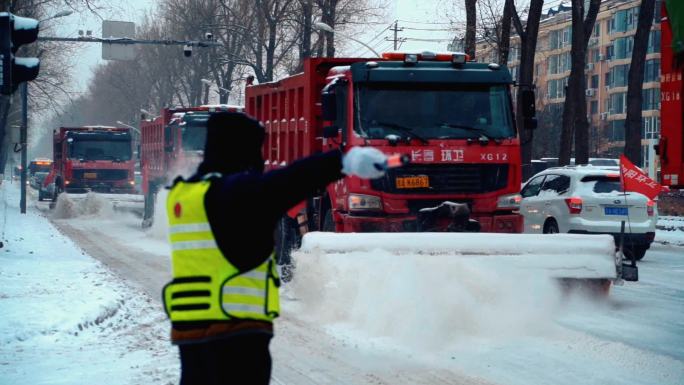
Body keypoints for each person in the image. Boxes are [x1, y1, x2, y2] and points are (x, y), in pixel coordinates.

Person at [162, 111, 388, 385]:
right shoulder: (235, 193)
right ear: (242, 150)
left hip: (191, 330)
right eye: (255, 148)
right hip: (235, 330)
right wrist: (343, 161)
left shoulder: (185, 194)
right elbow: (288, 181)